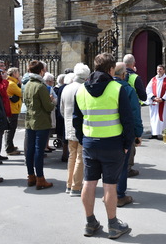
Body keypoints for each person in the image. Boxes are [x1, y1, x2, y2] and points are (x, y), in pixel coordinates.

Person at [73, 53, 134, 239]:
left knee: (89, 183)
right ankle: (113, 224)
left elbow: (77, 120)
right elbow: (127, 120)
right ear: (110, 69)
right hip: (112, 143)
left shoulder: (81, 89)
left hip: (90, 142)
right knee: (110, 185)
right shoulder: (117, 88)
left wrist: (83, 140)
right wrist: (126, 144)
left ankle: (90, 223)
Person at [113, 62, 143, 206]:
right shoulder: (128, 90)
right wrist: (138, 133)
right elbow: (134, 114)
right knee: (123, 165)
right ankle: (119, 195)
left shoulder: (104, 87)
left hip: (106, 132)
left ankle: (110, 193)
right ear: (124, 74)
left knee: (110, 165)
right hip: (124, 133)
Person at [23, 60, 55, 190]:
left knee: (30, 149)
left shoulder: (28, 85)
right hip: (41, 121)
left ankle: (31, 176)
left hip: (29, 120)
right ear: (41, 71)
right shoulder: (40, 86)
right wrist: (52, 101)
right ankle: (40, 178)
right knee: (38, 150)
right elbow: (48, 107)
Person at [60, 63, 90, 197]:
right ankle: (76, 186)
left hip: (68, 126)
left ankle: (69, 184)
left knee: (72, 156)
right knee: (80, 157)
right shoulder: (83, 89)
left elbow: (61, 109)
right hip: (80, 126)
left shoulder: (66, 88)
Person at [123, 54, 147, 177]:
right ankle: (128, 167)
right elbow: (143, 96)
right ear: (133, 64)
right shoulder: (135, 77)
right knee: (131, 139)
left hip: (117, 110)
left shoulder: (115, 76)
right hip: (132, 109)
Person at [145, 65, 166, 139]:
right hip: (155, 103)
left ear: (164, 70)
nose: (159, 71)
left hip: (164, 103)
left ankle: (164, 133)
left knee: (164, 118)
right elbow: (148, 89)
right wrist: (153, 97)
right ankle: (154, 133)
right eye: (157, 69)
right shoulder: (153, 79)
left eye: (160, 69)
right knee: (154, 118)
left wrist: (163, 99)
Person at [0, 60, 13, 161]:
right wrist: (4, 80)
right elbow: (2, 92)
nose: (4, 67)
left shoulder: (0, 77)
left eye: (4, 65)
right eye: (1, 66)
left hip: (4, 108)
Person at [4, 67, 23, 155]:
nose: (19, 73)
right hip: (12, 109)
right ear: (14, 74)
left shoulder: (12, 82)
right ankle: (9, 148)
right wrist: (20, 83)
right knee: (11, 129)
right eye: (18, 72)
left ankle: (10, 145)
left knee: (10, 129)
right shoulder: (12, 84)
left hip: (13, 108)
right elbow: (21, 93)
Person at [43, 72, 58, 152]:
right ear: (48, 81)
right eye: (52, 81)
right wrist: (53, 100)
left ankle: (46, 145)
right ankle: (45, 146)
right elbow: (55, 100)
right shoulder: (49, 88)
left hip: (48, 111)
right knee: (47, 129)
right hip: (49, 110)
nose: (53, 83)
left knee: (48, 130)